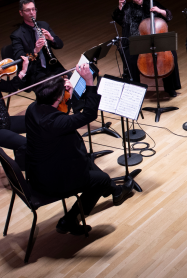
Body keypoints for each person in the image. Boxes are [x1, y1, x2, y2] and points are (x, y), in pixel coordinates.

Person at [25, 63, 131, 235]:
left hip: (39, 170)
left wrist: (63, 91)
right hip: (52, 181)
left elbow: (61, 112)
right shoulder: (56, 122)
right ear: (59, 98)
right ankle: (70, 219)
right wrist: (89, 81)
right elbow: (89, 115)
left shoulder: (33, 109)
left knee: (86, 161)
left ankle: (116, 190)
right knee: (101, 178)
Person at [112, 0, 181, 97]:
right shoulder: (127, 7)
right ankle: (136, 90)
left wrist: (159, 11)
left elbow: (169, 15)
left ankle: (170, 87)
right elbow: (117, 19)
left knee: (171, 53)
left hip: (153, 40)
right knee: (129, 57)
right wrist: (120, 7)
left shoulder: (152, 3)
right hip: (135, 42)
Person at [10, 0, 67, 85]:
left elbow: (60, 45)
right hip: (34, 72)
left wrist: (51, 38)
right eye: (28, 10)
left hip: (52, 66)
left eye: (33, 9)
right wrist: (35, 50)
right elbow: (19, 57)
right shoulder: (17, 35)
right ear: (21, 13)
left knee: (71, 79)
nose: (32, 13)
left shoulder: (43, 25)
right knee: (53, 87)